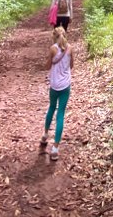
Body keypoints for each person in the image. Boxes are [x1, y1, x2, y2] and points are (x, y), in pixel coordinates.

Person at [40, 26, 73, 161]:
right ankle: (55, 149)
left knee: (51, 108)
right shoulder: (70, 48)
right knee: (61, 114)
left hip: (54, 85)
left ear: (54, 36)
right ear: (65, 35)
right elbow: (71, 65)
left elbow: (47, 66)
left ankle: (45, 135)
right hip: (65, 85)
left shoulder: (53, 49)